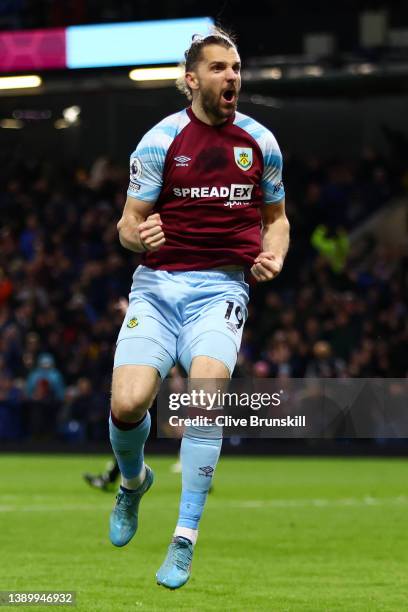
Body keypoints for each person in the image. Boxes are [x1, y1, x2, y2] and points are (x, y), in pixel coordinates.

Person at [109, 26, 290, 590]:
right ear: (191, 80)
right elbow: (126, 226)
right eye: (218, 68)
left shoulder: (261, 141)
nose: (231, 76)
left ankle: (184, 540)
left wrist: (274, 256)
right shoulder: (160, 141)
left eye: (235, 67)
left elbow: (276, 221)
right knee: (127, 405)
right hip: (158, 290)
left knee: (205, 404)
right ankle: (134, 483)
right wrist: (143, 236)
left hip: (221, 291)